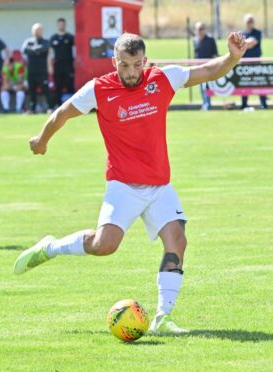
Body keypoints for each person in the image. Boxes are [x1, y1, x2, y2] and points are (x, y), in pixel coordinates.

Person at [14, 32, 247, 334]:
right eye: (124, 65)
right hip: (123, 185)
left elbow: (207, 71)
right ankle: (51, 247)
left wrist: (232, 58)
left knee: (177, 241)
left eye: (137, 65)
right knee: (104, 246)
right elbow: (62, 113)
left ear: (145, 61)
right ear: (115, 62)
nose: (131, 72)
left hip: (160, 185)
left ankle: (162, 319)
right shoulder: (98, 89)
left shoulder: (163, 78)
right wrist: (42, 140)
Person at [22, 23, 52, 113]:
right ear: (32, 31)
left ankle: (50, 107)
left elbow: (43, 49)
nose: (37, 32)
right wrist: (37, 50)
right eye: (35, 30)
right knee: (31, 91)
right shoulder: (28, 41)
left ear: (42, 31)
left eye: (38, 30)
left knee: (46, 90)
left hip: (42, 71)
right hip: (31, 71)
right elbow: (24, 50)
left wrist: (32, 50)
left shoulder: (46, 41)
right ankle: (32, 109)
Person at [240, 14, 267, 110]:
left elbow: (251, 43)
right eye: (248, 21)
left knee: (260, 83)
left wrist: (243, 43)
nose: (249, 23)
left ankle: (263, 103)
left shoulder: (257, 33)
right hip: (244, 63)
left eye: (251, 21)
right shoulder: (241, 34)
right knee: (244, 83)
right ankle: (244, 104)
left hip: (256, 63)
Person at [50, 18, 75, 105]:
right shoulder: (53, 38)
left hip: (68, 65)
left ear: (65, 25)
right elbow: (50, 52)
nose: (61, 25)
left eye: (63, 24)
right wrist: (50, 66)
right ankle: (58, 104)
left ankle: (72, 104)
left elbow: (77, 49)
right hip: (57, 65)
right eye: (60, 24)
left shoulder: (70, 37)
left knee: (70, 84)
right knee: (58, 85)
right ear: (57, 25)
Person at [193, 22, 218, 110]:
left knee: (206, 87)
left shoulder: (210, 39)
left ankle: (208, 104)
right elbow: (196, 53)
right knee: (201, 87)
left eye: (202, 28)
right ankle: (205, 103)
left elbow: (215, 53)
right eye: (199, 29)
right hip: (198, 67)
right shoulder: (195, 40)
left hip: (208, 67)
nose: (200, 31)